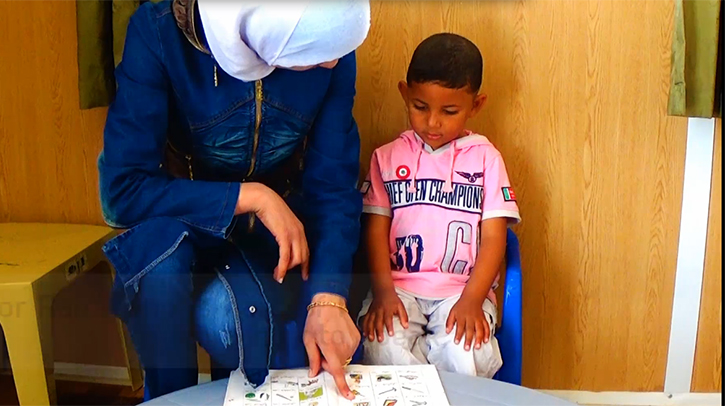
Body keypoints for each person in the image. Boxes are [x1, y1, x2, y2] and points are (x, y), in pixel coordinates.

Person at [98, 0, 370, 400]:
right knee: (160, 273)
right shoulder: (157, 31)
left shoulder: (330, 45)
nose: (332, 63)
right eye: (314, 53)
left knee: (236, 326)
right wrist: (252, 197)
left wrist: (328, 296)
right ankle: (167, 397)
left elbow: (332, 184)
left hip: (267, 237)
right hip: (176, 223)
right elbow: (123, 192)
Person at [358, 33, 521, 378]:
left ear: (475, 106)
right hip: (399, 288)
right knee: (383, 343)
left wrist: (473, 299)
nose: (432, 123)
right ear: (405, 93)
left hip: (462, 291)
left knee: (469, 350)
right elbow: (374, 232)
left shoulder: (486, 160)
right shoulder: (385, 158)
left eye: (449, 111)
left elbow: (495, 239)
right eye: (420, 107)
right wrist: (384, 293)